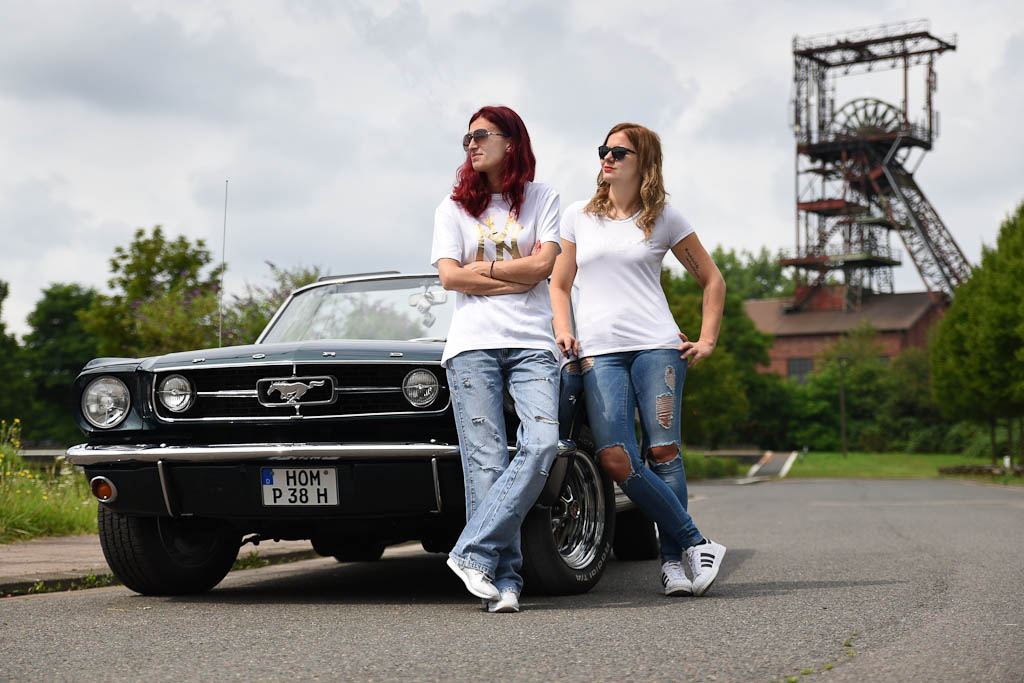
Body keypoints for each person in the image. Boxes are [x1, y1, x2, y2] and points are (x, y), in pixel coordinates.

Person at [550, 122, 727, 597]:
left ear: (643, 161)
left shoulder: (664, 218)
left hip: (657, 346)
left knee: (664, 453)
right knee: (616, 457)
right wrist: (564, 328)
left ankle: (673, 564)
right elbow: (559, 284)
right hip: (599, 353)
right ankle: (695, 542)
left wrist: (707, 340)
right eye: (603, 150)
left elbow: (712, 279)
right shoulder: (577, 216)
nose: (606, 158)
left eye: (619, 152)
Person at [431, 105, 561, 613]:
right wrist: (513, 272)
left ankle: (471, 552)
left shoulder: (543, 198)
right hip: (472, 345)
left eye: (481, 135)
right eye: (467, 138)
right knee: (487, 463)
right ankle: (503, 581)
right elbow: (449, 277)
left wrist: (480, 270)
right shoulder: (453, 207)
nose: (471, 144)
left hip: (533, 343)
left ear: (511, 141)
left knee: (542, 443)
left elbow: (543, 267)